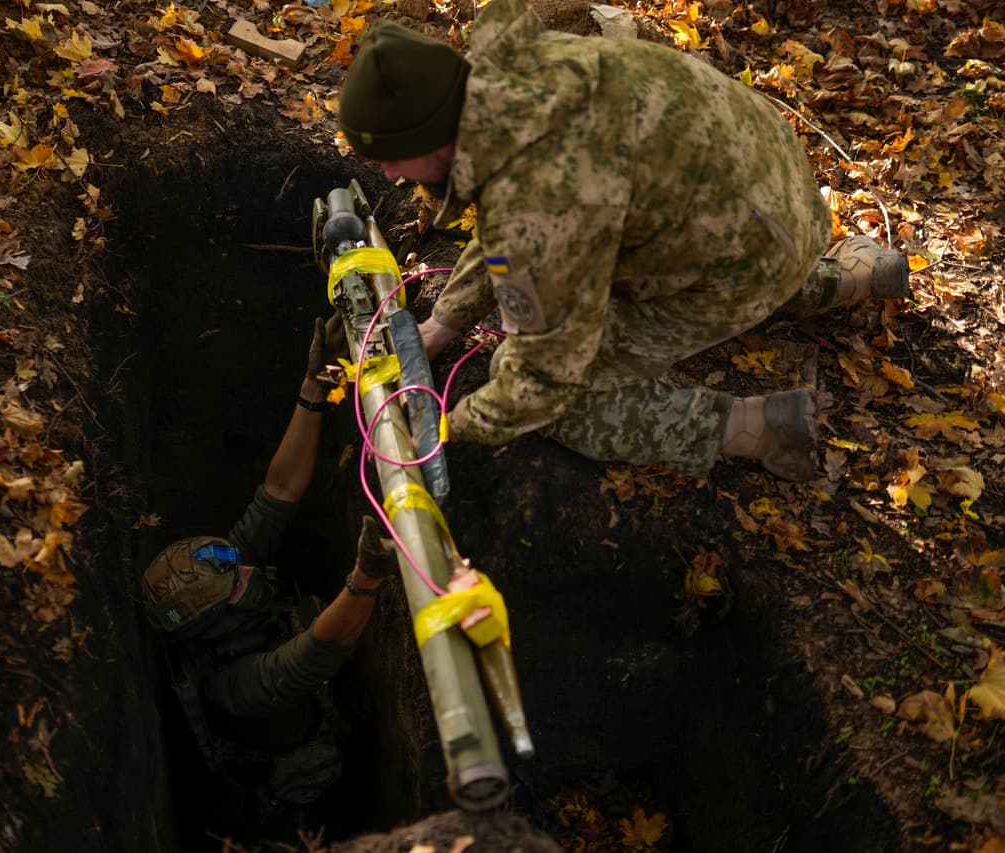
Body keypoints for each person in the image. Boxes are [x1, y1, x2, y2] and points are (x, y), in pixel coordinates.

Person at [336, 0, 911, 482]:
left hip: (749, 251)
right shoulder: (510, 74)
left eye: (391, 156)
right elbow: (507, 210)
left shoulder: (542, 198)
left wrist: (451, 425)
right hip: (771, 181)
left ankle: (760, 428)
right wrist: (448, 320)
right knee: (698, 244)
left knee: (557, 398)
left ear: (433, 135)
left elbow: (542, 376)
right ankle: (851, 275)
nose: (388, 174)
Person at [141, 316, 398, 810]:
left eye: (233, 560)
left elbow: (278, 492)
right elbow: (317, 651)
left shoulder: (224, 575)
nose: (248, 569)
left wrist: (313, 389)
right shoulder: (237, 688)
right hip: (301, 763)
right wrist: (366, 576)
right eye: (237, 581)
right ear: (217, 623)